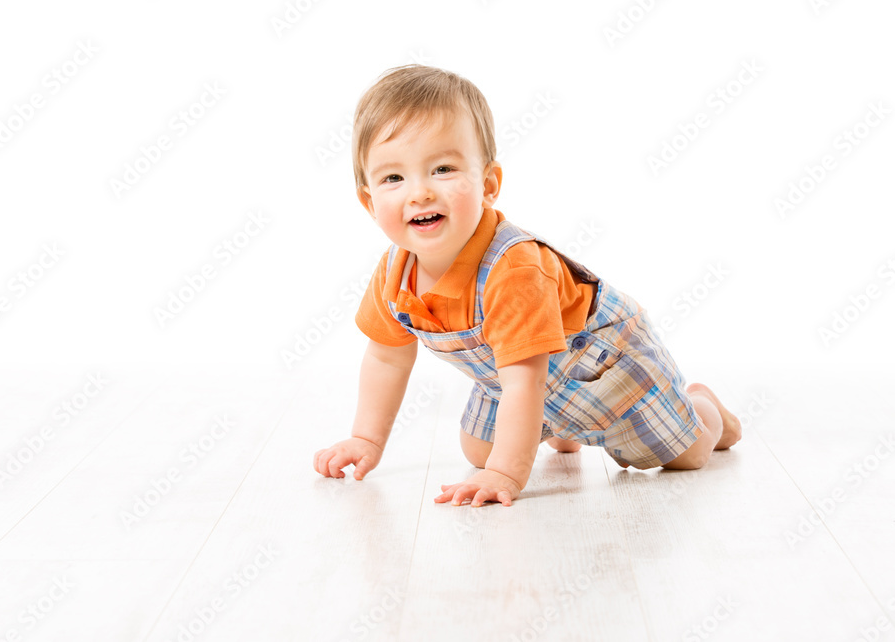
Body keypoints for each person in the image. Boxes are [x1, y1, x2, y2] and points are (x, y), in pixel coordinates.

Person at [313, 64, 742, 507]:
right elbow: (387, 358)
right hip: (518, 379)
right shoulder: (394, 275)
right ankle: (558, 429)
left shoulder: (513, 270)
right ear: (369, 201)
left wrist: (506, 474)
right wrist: (366, 439)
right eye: (393, 178)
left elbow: (527, 381)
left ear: (489, 184)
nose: (419, 193)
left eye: (442, 169)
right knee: (478, 451)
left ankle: (706, 409)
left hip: (601, 362)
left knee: (682, 454)